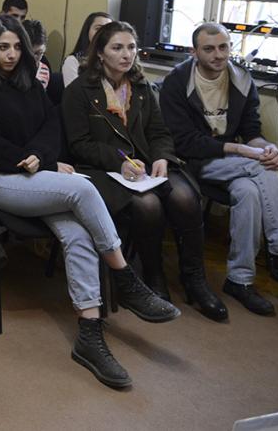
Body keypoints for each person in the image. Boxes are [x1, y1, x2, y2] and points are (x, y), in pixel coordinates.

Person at [0, 14, 178, 389]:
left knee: (78, 233)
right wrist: (25, 159)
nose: (11, 55)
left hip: (33, 177)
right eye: (3, 47)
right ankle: (125, 277)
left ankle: (89, 332)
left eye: (17, 47)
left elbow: (51, 127)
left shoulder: (29, 84)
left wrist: (40, 157)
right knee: (82, 188)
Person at [159, 23, 278, 315]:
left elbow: (252, 131)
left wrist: (267, 147)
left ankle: (240, 280)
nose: (218, 55)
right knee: (261, 169)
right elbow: (184, 142)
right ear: (194, 52)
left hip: (228, 162)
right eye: (209, 49)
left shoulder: (241, 78)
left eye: (223, 47)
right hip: (189, 163)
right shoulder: (177, 82)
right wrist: (241, 150)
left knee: (249, 192)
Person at [63, 21, 227, 321]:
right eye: (117, 48)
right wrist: (119, 162)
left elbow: (160, 132)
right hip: (104, 170)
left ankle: (195, 279)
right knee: (147, 204)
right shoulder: (79, 91)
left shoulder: (142, 87)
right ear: (100, 53)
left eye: (131, 47)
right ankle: (153, 276)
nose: (126, 55)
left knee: (185, 197)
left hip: (146, 165)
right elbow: (79, 144)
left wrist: (162, 157)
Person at [62, 11, 113, 87]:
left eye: (109, 30)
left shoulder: (116, 60)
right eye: (98, 28)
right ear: (87, 31)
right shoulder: (73, 61)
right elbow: (74, 92)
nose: (103, 33)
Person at [22, 18, 63, 105]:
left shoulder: (44, 69)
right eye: (29, 53)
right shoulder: (10, 68)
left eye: (38, 53)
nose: (33, 59)